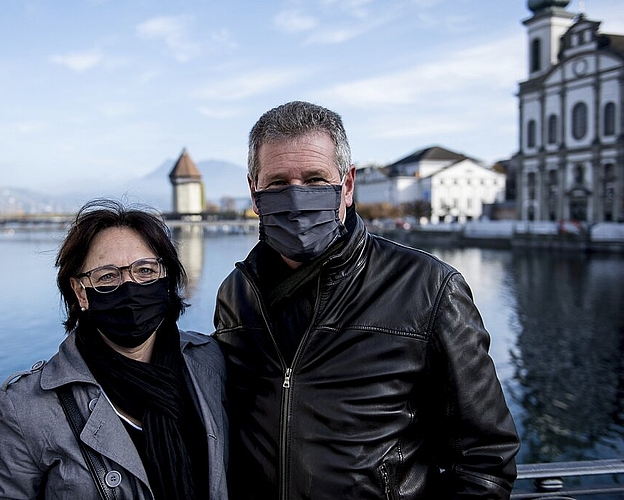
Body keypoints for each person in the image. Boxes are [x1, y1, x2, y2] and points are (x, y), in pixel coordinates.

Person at [212, 101, 520, 499]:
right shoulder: (236, 293)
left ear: (348, 184)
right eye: (277, 184)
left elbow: (486, 458)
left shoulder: (428, 287)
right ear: (254, 193)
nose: (297, 199)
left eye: (315, 180)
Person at [0, 198, 228, 499]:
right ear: (80, 292)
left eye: (145, 271)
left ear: (165, 278)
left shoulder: (210, 363)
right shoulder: (27, 407)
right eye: (107, 276)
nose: (129, 287)